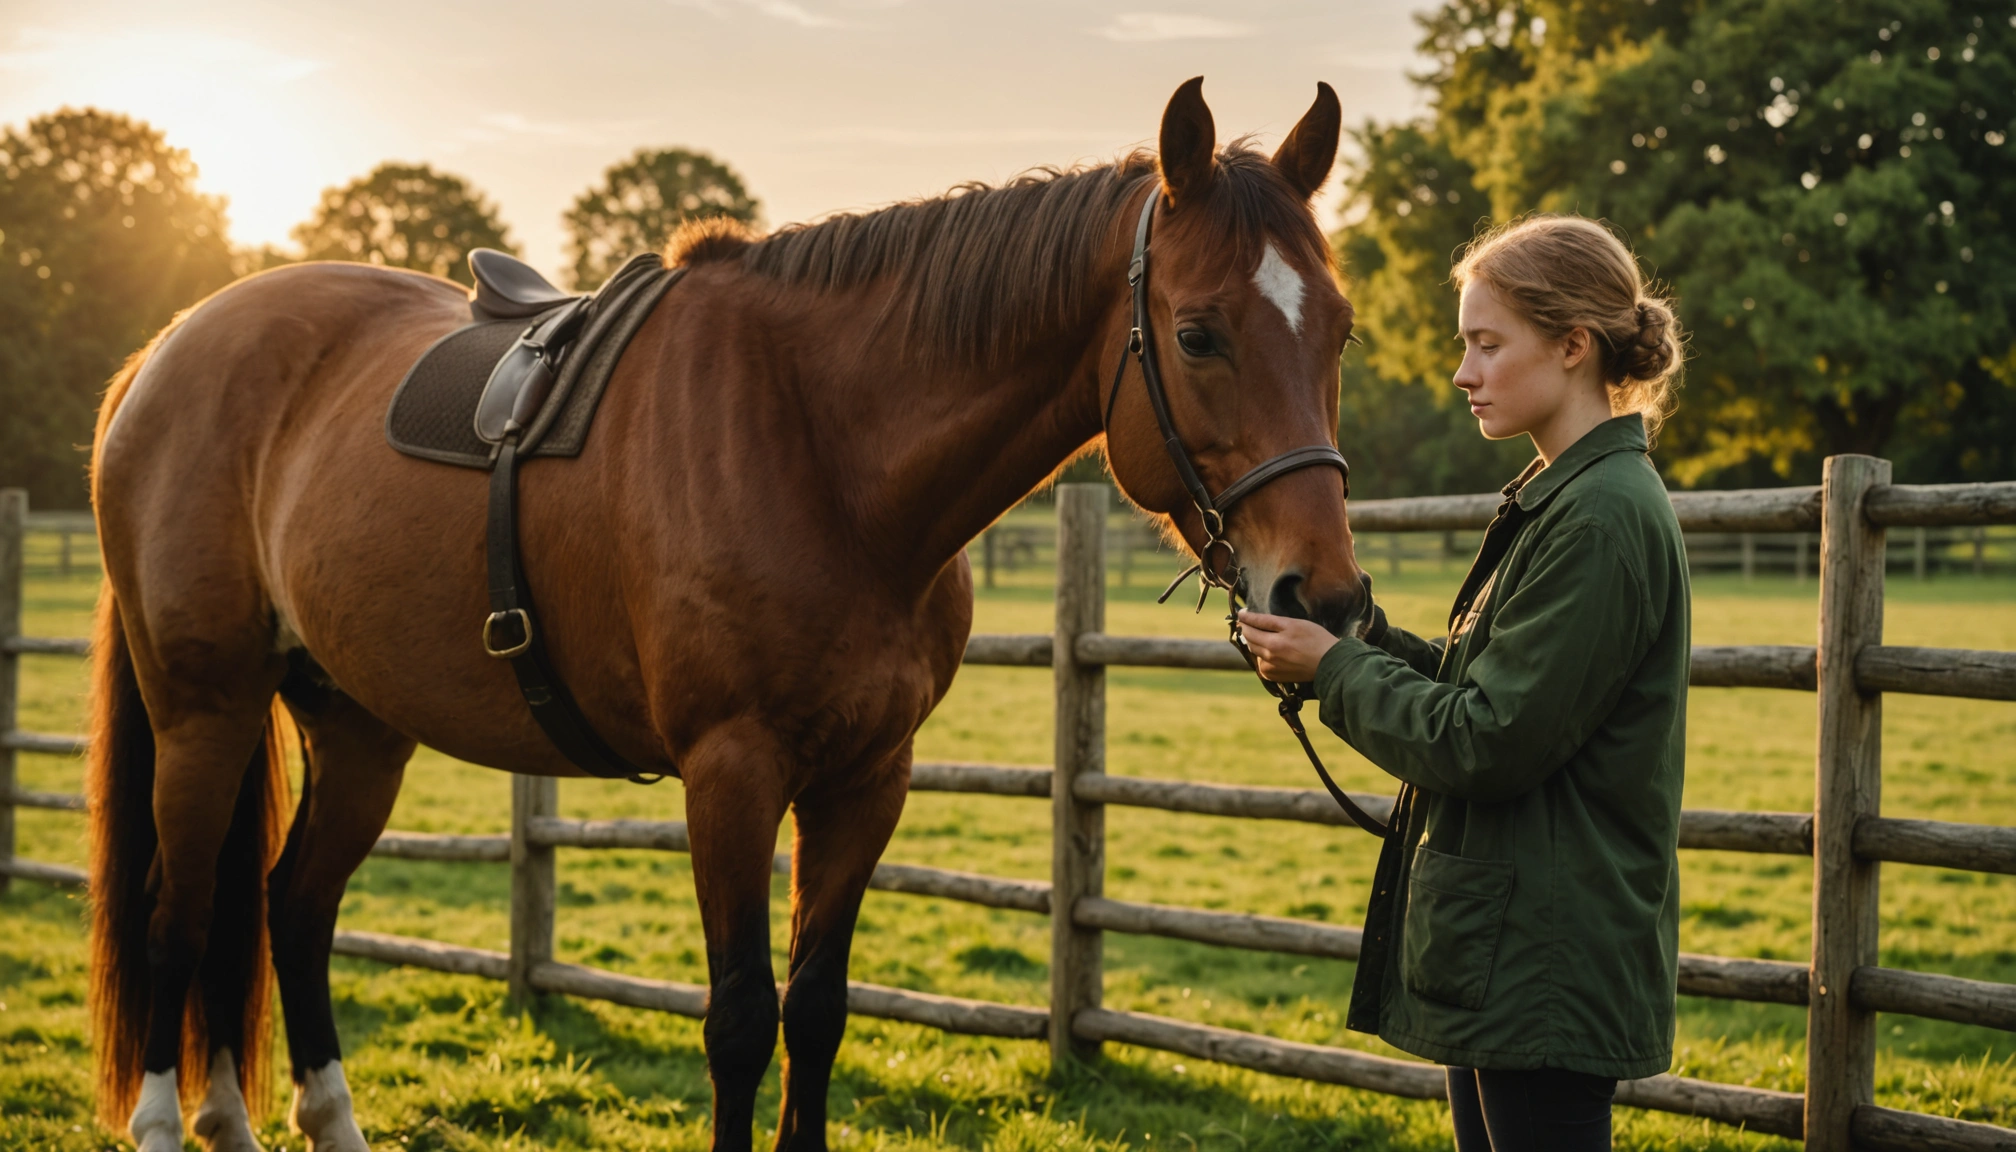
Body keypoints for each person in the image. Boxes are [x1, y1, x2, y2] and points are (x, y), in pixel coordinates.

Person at [1237, 214, 1689, 1152]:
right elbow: (1485, 688)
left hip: (1544, 955)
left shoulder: (1600, 519)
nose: (1463, 372)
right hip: (1507, 941)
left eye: (1487, 345)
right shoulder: (1563, 492)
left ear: (1572, 347)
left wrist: (1334, 671)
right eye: (1464, 345)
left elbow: (1488, 739)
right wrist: (1360, 636)